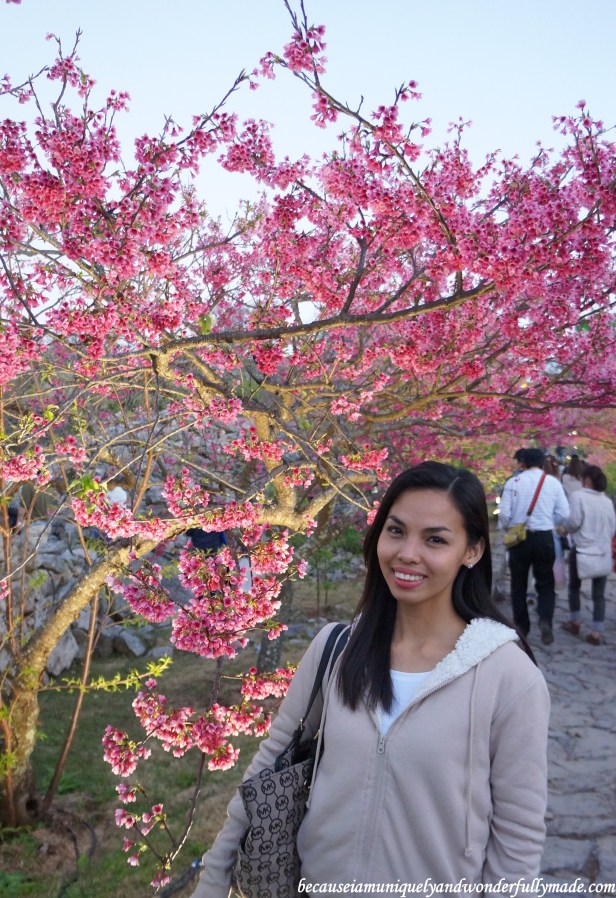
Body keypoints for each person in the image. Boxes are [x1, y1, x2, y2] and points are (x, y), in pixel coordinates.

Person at [193, 462, 549, 895]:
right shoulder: (337, 648)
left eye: (435, 539)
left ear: (472, 551)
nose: (408, 553)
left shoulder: (508, 676)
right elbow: (268, 765)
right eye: (396, 531)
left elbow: (518, 837)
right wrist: (214, 878)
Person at [499, 447, 569, 644]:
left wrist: (511, 527)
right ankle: (545, 620)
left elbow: (504, 514)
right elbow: (564, 513)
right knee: (546, 583)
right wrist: (549, 522)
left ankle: (522, 627)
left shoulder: (513, 482)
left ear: (523, 463)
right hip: (544, 537)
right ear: (542, 463)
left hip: (519, 539)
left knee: (518, 584)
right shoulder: (553, 483)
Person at [561, 464, 616, 646]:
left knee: (574, 588)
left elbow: (573, 522)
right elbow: (613, 528)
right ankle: (596, 633)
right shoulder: (607, 501)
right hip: (602, 552)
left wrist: (566, 529)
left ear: (588, 480)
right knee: (599, 595)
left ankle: (575, 622)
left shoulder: (579, 496)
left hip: (582, 551)